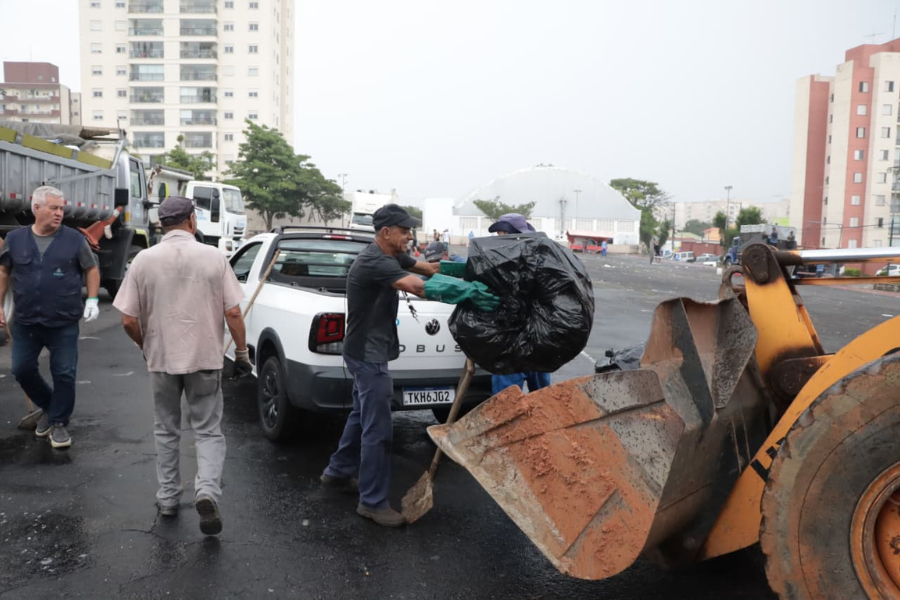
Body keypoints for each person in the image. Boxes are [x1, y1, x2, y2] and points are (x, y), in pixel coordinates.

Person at [321, 204, 499, 527]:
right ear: (386, 232)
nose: (410, 236)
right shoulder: (375, 262)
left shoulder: (391, 256)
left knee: (361, 414)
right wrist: (469, 294)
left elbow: (426, 270)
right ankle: (372, 502)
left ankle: (337, 471)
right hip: (368, 356)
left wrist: (466, 270)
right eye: (404, 231)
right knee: (378, 429)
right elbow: (418, 286)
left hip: (364, 351)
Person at [112, 196, 252, 536]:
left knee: (166, 429)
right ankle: (206, 490)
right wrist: (243, 354)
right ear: (191, 221)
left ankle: (169, 498)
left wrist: (147, 346)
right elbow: (233, 313)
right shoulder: (213, 257)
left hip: (161, 360)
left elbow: (128, 320)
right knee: (207, 430)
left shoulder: (144, 259)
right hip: (205, 359)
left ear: (161, 224)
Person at [0, 186, 100, 448]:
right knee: (20, 369)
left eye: (61, 208)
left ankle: (58, 423)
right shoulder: (15, 239)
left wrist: (92, 299)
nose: (59, 213)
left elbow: (91, 269)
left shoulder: (74, 240)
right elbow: (3, 272)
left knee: (64, 373)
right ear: (37, 209)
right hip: (26, 321)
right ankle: (48, 405)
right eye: (53, 208)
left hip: (63, 321)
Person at [486, 214, 551, 395]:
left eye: (504, 233)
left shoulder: (540, 255)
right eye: (499, 233)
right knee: (505, 399)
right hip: (509, 339)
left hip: (536, 335)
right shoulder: (499, 256)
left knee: (543, 397)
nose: (500, 237)